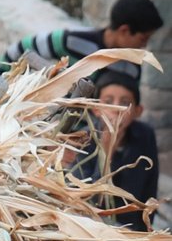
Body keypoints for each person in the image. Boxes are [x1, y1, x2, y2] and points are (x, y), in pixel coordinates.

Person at [0, 0, 164, 80]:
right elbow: (22, 50)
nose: (143, 47)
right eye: (143, 39)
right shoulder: (72, 42)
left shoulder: (131, 68)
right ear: (124, 30)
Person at [67, 70, 160, 231]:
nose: (116, 109)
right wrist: (106, 149)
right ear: (96, 109)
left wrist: (146, 231)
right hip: (92, 228)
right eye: (108, 101)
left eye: (125, 103)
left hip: (131, 230)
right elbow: (87, 200)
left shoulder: (145, 135)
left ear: (138, 111)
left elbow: (150, 188)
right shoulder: (83, 139)